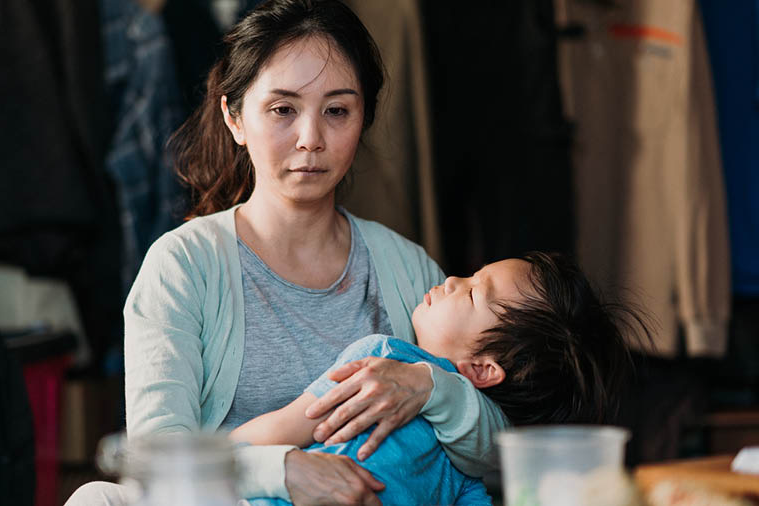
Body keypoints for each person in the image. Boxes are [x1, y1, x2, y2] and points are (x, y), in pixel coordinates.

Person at [67, 1, 507, 505]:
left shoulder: (407, 268)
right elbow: (156, 457)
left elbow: (496, 458)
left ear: (363, 119)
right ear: (234, 117)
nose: (311, 139)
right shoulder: (183, 265)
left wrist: (432, 388)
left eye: (337, 111)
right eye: (283, 109)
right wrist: (282, 470)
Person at [233, 252, 649, 505]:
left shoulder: (382, 358)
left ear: (483, 369)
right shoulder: (381, 364)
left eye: (471, 292)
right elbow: (267, 441)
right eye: (470, 275)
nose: (451, 280)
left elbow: (267, 432)